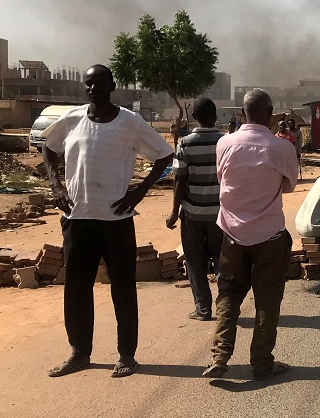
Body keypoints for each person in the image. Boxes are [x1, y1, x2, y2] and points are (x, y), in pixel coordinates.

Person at [42, 65, 174, 379]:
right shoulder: (72, 119)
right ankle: (79, 353)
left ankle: (127, 355)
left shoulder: (130, 122)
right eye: (88, 84)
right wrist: (56, 185)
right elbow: (48, 149)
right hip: (77, 219)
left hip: (116, 220)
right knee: (75, 288)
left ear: (112, 85)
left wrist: (139, 192)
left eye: (99, 83)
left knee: (123, 289)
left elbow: (164, 156)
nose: (93, 88)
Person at [203, 89, 298, 381]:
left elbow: (222, 178)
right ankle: (261, 362)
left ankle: (220, 356)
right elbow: (290, 185)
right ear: (270, 113)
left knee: (229, 295)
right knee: (267, 299)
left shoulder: (224, 144)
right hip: (269, 236)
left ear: (242, 114)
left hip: (231, 234)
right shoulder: (281, 147)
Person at [166, 98, 224, 322]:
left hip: (192, 213)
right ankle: (225, 307)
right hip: (221, 214)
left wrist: (173, 211)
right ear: (215, 116)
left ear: (194, 117)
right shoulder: (226, 142)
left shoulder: (185, 143)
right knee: (222, 259)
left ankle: (203, 309)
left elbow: (180, 180)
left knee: (195, 260)